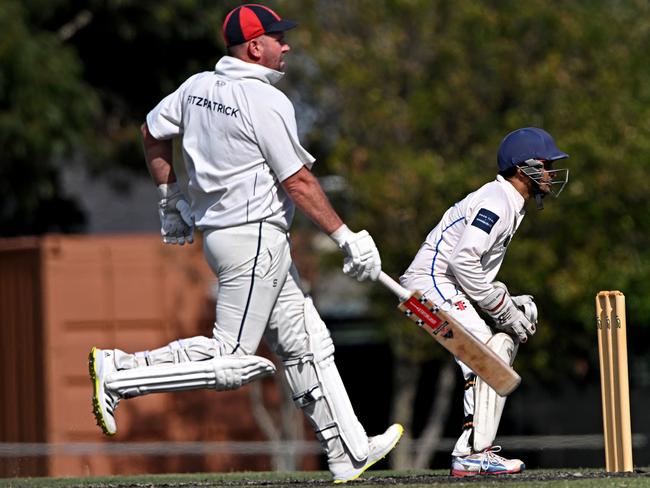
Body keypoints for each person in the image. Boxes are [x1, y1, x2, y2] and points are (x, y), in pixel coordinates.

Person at [88, 3, 403, 483]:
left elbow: (150, 132)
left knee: (307, 343)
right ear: (255, 47)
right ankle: (122, 371)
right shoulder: (267, 101)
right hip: (256, 236)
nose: (287, 46)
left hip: (226, 239)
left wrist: (168, 201)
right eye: (279, 38)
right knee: (231, 359)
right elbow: (297, 181)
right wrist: (347, 238)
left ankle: (348, 450)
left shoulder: (196, 88)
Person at [400, 127, 569, 476]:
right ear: (524, 168)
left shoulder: (508, 202)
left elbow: (472, 266)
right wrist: (501, 308)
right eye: (547, 164)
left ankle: (472, 452)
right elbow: (462, 261)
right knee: (483, 355)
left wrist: (506, 297)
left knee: (482, 356)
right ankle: (473, 453)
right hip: (429, 284)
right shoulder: (497, 200)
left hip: (432, 286)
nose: (552, 173)